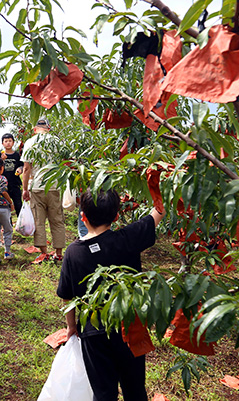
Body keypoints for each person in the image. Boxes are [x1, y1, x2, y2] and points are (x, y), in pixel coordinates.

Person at [57, 188, 164, 401]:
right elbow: (158, 212)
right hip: (129, 327)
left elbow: (66, 296)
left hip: (93, 331)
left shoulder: (73, 252)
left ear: (82, 216)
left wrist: (71, 327)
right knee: (135, 389)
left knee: (103, 392)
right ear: (116, 216)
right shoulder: (128, 238)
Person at [21, 118, 66, 259]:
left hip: (37, 187)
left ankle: (44, 253)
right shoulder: (58, 142)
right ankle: (58, 254)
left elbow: (27, 168)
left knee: (38, 221)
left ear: (35, 129)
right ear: (49, 128)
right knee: (57, 220)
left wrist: (25, 189)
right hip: (54, 186)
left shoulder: (30, 142)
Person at [0, 133, 24, 216]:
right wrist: (1, 160)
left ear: (13, 142)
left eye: (10, 141)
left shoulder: (17, 155)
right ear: (2, 143)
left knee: (18, 204)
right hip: (3, 185)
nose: (8, 143)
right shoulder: (0, 155)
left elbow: (22, 165)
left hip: (15, 184)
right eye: (6, 141)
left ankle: (21, 224)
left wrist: (20, 169)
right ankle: (7, 225)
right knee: (5, 206)